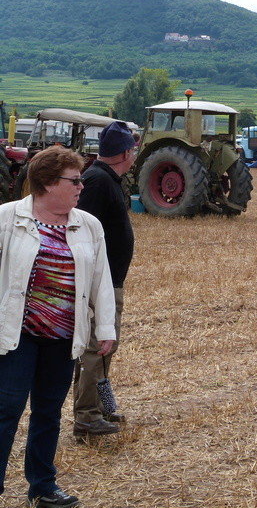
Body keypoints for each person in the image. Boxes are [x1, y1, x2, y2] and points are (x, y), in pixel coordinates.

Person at [0, 146, 116, 508]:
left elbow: (101, 280)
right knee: (6, 409)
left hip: (64, 337)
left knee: (48, 412)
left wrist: (106, 327)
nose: (81, 185)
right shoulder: (6, 218)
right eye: (74, 179)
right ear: (49, 183)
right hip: (17, 336)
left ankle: (43, 487)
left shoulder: (88, 225)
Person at [73, 121, 135, 438]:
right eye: (134, 149)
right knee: (96, 347)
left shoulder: (104, 178)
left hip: (109, 283)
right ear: (126, 152)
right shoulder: (97, 181)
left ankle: (103, 407)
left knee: (105, 347)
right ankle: (86, 416)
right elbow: (79, 230)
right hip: (100, 284)